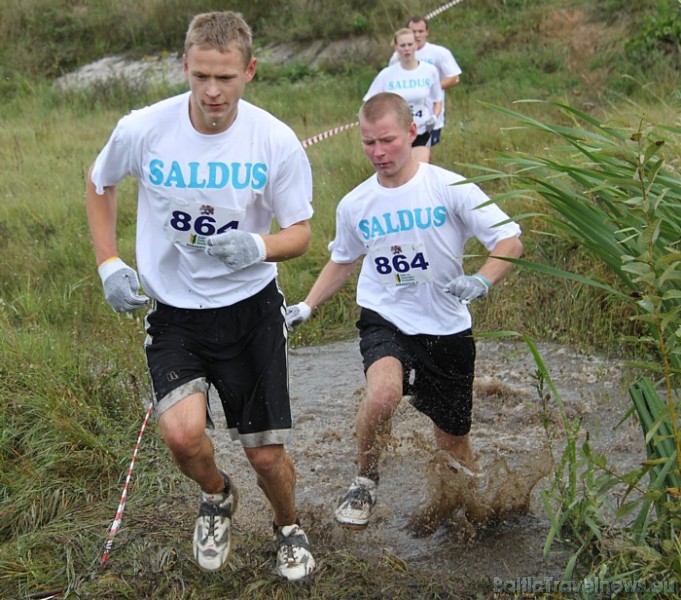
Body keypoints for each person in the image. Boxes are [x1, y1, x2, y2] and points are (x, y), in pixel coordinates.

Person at [85, 10, 315, 580]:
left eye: (227, 78)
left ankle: (288, 525)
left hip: (250, 311)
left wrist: (258, 246)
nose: (213, 91)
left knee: (264, 454)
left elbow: (302, 233)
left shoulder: (274, 140)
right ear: (184, 66)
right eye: (202, 76)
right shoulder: (144, 129)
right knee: (182, 435)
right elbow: (100, 183)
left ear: (250, 70)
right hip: (176, 314)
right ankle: (216, 496)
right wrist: (109, 262)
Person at [285, 93, 522, 530]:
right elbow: (342, 260)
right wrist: (306, 304)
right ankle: (366, 477)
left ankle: (471, 506)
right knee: (384, 394)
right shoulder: (355, 204)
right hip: (385, 315)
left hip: (446, 325)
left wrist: (482, 280)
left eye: (387, 141)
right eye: (368, 143)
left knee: (452, 442)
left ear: (412, 133)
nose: (378, 153)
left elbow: (510, 241)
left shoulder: (450, 188)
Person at [364, 28, 443, 163]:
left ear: (416, 45)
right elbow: (369, 102)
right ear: (396, 48)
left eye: (410, 44)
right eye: (402, 45)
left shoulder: (429, 71)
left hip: (422, 129)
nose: (407, 49)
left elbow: (438, 99)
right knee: (401, 172)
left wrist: (434, 117)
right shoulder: (386, 74)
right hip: (395, 133)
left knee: (420, 169)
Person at [389, 15, 462, 155]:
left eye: (420, 31)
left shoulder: (438, 53)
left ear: (427, 32)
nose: (417, 35)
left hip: (431, 115)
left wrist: (430, 89)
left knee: (425, 156)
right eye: (413, 31)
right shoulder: (397, 56)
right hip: (405, 116)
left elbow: (454, 78)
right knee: (405, 156)